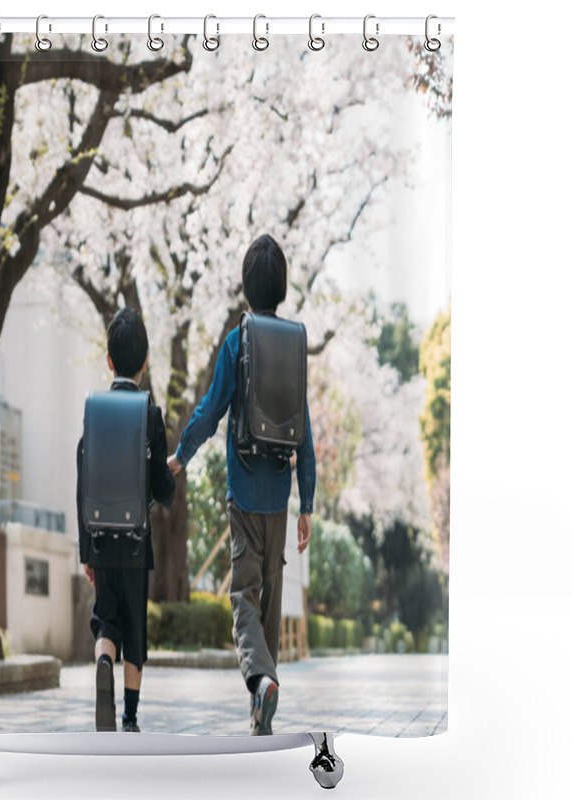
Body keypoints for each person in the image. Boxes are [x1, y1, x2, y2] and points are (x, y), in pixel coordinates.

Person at [168, 234, 315, 735]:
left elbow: (211, 411)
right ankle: (263, 707)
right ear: (282, 286)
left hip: (243, 494)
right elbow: (306, 430)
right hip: (279, 496)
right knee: (269, 599)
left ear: (247, 286)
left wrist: (182, 453)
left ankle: (260, 681)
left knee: (242, 599)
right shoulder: (295, 345)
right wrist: (307, 503)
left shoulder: (238, 341)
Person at [78, 307, 175, 732]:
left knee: (107, 620)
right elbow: (162, 489)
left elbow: (83, 476)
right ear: (146, 360)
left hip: (99, 540)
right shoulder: (149, 414)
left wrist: (86, 550)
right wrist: (169, 474)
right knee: (135, 633)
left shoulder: (94, 411)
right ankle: (130, 718)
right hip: (136, 546)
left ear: (109, 360)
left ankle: (103, 659)